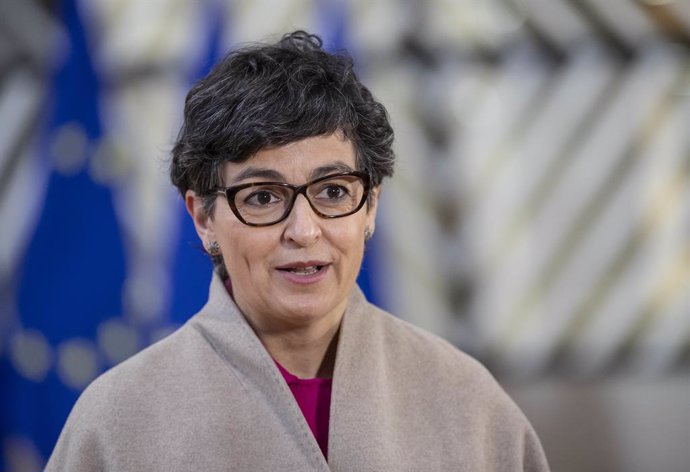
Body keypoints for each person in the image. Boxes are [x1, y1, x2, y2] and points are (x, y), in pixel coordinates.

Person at [46, 31, 550, 471]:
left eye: (333, 191)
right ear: (202, 218)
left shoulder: (466, 400)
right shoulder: (117, 421)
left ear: (370, 205)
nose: (304, 231)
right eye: (263, 198)